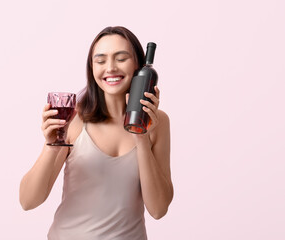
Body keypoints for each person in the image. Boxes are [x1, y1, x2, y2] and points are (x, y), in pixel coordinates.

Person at [19, 26, 174, 240]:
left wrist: (142, 137)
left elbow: (158, 209)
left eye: (121, 58)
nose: (110, 68)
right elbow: (28, 201)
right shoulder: (74, 119)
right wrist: (50, 144)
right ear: (92, 68)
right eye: (100, 61)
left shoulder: (159, 122)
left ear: (138, 65)